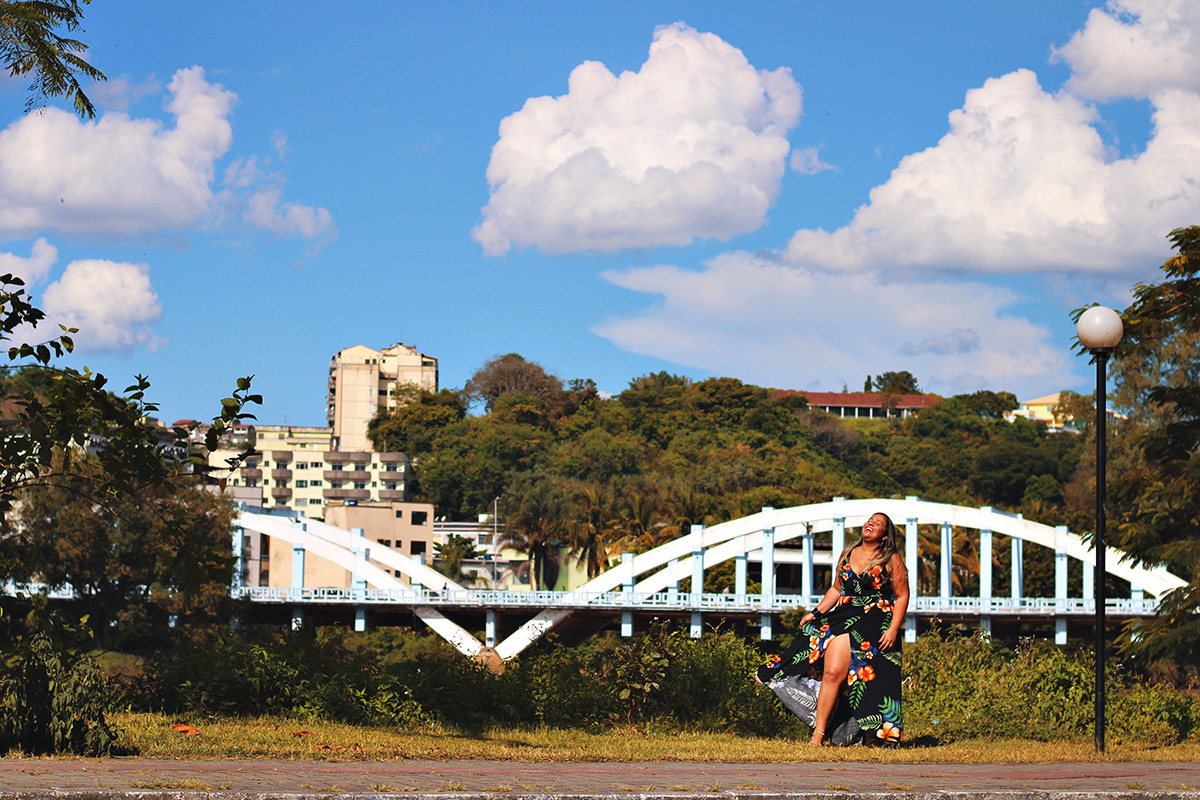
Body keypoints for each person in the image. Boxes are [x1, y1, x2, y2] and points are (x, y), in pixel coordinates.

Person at [756, 511, 909, 745]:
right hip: (844, 617)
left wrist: (893, 629)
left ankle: (871, 738)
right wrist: (816, 613)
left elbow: (902, 595)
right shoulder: (848, 553)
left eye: (877, 523)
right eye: (870, 520)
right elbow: (837, 589)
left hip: (876, 623)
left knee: (869, 681)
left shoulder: (891, 558)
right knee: (832, 673)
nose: (870, 523)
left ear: (885, 536)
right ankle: (818, 735)